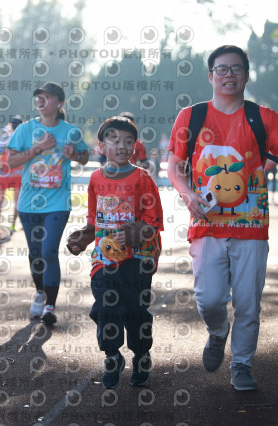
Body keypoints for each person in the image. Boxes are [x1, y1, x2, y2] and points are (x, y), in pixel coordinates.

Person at [166, 45, 278, 391]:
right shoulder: (191, 117)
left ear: (246, 76)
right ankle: (218, 332)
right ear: (211, 76)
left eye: (236, 69)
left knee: (248, 304)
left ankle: (242, 365)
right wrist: (187, 194)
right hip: (206, 224)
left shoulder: (263, 117)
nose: (229, 74)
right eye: (222, 69)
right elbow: (174, 166)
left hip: (252, 226)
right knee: (209, 299)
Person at [66, 116, 164, 389]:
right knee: (105, 307)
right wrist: (83, 239)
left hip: (137, 260)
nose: (122, 146)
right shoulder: (96, 178)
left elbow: (154, 220)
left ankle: (141, 355)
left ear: (135, 146)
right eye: (115, 140)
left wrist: (134, 233)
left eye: (128, 141)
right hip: (104, 258)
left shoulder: (142, 178)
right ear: (101, 146)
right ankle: (112, 356)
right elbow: (94, 218)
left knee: (135, 311)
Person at [7, 82, 89, 325]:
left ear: (59, 102)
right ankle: (40, 293)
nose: (41, 100)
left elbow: (85, 158)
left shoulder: (71, 131)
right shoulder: (25, 129)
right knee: (35, 254)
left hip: (57, 204)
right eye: (38, 97)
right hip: (29, 204)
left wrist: (74, 154)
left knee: (48, 252)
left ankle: (50, 307)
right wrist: (38, 148)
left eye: (47, 97)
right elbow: (11, 161)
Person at [0, 115, 24, 231]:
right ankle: (13, 225)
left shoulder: (4, 137)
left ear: (10, 125)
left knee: (0, 198)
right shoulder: (23, 138)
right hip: (18, 172)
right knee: (17, 200)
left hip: (4, 172)